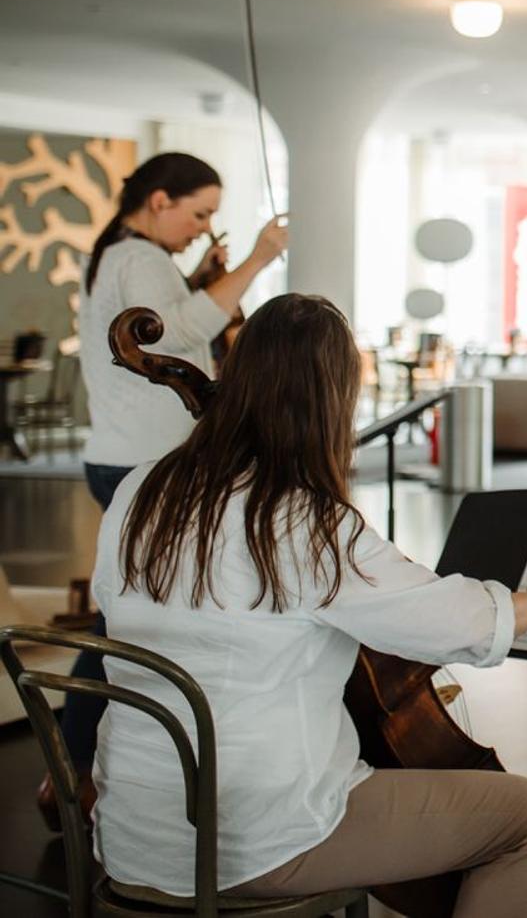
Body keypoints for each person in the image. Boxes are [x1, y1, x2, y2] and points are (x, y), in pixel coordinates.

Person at [94, 293, 527, 918]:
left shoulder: (140, 489)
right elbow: (457, 624)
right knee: (523, 815)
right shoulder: (302, 520)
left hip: (134, 837)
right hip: (255, 843)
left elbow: (121, 606)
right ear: (330, 402)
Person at [40, 152, 288, 824]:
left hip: (119, 456)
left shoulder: (120, 255)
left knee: (127, 612)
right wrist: (260, 258)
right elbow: (179, 330)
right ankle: (73, 764)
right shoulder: (140, 258)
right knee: (122, 620)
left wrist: (203, 279)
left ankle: (84, 761)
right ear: (158, 200)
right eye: (200, 212)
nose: (204, 226)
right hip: (142, 462)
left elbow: (174, 313)